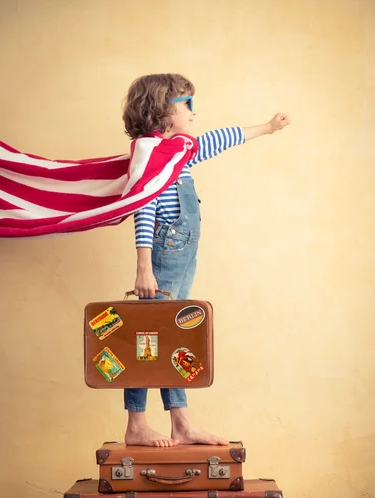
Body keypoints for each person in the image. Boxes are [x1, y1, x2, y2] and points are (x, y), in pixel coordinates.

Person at [122, 73, 290, 447]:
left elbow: (218, 139)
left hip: (183, 253)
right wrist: (144, 267)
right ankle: (136, 424)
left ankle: (180, 421)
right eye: (187, 104)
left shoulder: (178, 150)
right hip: (164, 253)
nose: (195, 112)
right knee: (148, 336)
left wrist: (267, 128)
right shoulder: (149, 153)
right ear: (162, 110)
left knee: (172, 335)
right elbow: (143, 209)